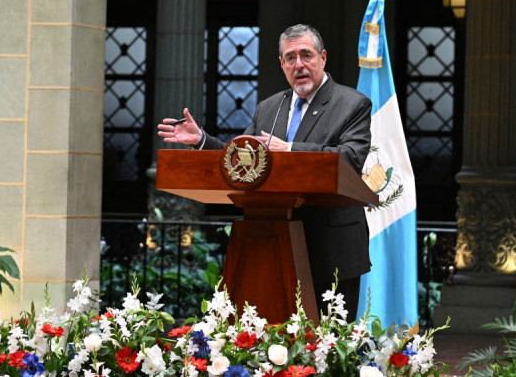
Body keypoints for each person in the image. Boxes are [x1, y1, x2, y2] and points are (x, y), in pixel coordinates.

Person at [158, 23, 372, 316]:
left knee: (327, 348)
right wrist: (202, 140)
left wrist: (290, 150)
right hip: (271, 244)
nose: (299, 64)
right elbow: (244, 159)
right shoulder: (269, 108)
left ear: (323, 58)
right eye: (290, 57)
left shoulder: (352, 104)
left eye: (306, 55)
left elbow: (350, 159)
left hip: (330, 245)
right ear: (282, 64)